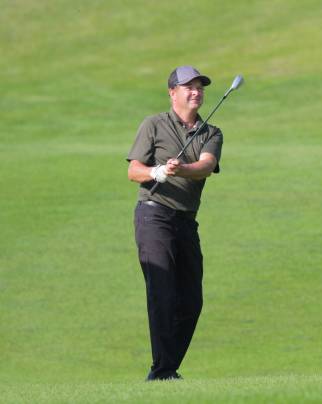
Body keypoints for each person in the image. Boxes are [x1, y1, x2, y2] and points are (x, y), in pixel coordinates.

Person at [126, 66, 223, 381]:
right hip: (153, 215)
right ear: (172, 92)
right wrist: (156, 172)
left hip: (185, 221)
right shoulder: (153, 124)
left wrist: (181, 169)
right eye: (188, 87)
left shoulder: (211, 132)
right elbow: (134, 171)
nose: (196, 92)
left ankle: (165, 368)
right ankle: (163, 371)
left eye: (199, 87)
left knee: (191, 301)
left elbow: (206, 166)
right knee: (163, 292)